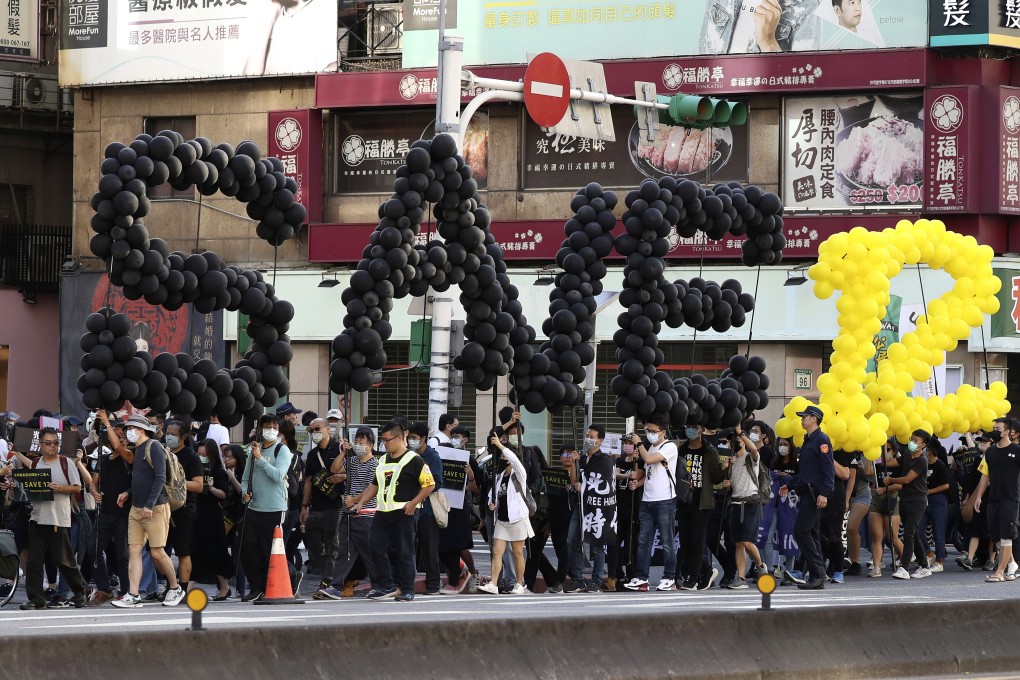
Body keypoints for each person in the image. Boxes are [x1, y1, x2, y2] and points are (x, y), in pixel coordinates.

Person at [352, 420, 434, 602]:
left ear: (399, 438)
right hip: (383, 512)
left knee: (405, 552)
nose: (385, 444)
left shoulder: (414, 460)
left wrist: (413, 504)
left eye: (387, 440)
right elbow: (375, 484)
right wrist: (361, 503)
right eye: (383, 440)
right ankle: (386, 585)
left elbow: (429, 485)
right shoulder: (383, 460)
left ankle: (407, 589)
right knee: (375, 547)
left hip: (405, 513)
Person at [111, 415, 185, 608]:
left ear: (141, 430)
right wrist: (128, 493)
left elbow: (160, 478)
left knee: (157, 552)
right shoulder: (139, 449)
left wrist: (149, 505)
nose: (128, 433)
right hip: (137, 507)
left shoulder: (154, 447)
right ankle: (133, 594)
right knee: (134, 550)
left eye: (131, 429)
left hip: (156, 508)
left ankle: (175, 587)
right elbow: (141, 478)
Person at [16, 428, 88, 610]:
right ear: (40, 444)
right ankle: (36, 599)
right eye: (48, 443)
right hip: (37, 518)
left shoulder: (66, 463)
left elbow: (77, 487)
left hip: (58, 520)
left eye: (55, 442)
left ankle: (80, 592)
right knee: (34, 561)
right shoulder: (36, 463)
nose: (52, 446)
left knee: (64, 560)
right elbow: (29, 486)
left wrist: (60, 488)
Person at [316, 427, 378, 600]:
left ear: (371, 445)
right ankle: (336, 586)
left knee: (369, 553)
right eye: (356, 441)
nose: (358, 445)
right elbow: (334, 469)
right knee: (345, 552)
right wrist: (343, 452)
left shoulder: (374, 464)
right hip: (348, 514)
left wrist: (354, 501)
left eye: (361, 442)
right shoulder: (352, 461)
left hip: (365, 514)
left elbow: (372, 488)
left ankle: (380, 584)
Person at [624, 415, 681, 592]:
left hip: (665, 501)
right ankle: (642, 578)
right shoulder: (649, 447)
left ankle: (669, 578)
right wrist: (638, 484)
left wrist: (639, 443)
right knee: (644, 542)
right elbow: (649, 473)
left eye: (653, 431)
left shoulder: (669, 446)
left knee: (667, 541)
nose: (649, 433)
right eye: (647, 430)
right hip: (647, 500)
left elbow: (649, 460)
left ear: (663, 432)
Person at [779, 405, 834, 590]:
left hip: (814, 494)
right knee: (812, 534)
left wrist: (824, 493)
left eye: (804, 417)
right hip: (806, 492)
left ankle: (818, 573)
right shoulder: (808, 440)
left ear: (813, 419)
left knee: (801, 531)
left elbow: (828, 469)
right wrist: (790, 484)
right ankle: (817, 575)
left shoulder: (821, 440)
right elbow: (805, 471)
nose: (802, 419)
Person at [239, 414, 293, 602]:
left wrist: (260, 459)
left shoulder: (282, 450)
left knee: (268, 549)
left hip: (274, 508)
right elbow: (245, 478)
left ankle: (283, 580)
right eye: (267, 426)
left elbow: (278, 476)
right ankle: (256, 586)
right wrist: (244, 493)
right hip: (254, 507)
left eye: (275, 427)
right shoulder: (255, 449)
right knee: (247, 547)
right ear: (260, 428)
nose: (271, 429)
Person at [478, 432, 534, 595]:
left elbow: (515, 460)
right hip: (502, 520)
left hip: (517, 519)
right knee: (497, 551)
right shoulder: (500, 476)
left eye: (503, 455)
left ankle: (519, 584)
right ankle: (493, 584)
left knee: (517, 552)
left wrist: (500, 445)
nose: (501, 458)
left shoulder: (519, 474)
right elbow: (493, 495)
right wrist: (492, 504)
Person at [563, 425, 616, 592]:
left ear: (600, 441)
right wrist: (574, 463)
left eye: (592, 437)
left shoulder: (605, 460)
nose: (588, 439)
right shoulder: (583, 458)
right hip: (581, 507)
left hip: (596, 508)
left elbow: (603, 484)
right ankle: (578, 579)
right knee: (571, 541)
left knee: (597, 544)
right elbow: (574, 481)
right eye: (587, 435)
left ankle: (596, 580)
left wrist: (584, 487)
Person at [87, 411, 132, 605]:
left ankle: (127, 591)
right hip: (104, 513)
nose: (119, 440)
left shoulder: (130, 457)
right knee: (93, 549)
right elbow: (92, 483)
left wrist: (106, 422)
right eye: (116, 436)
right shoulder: (103, 459)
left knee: (123, 556)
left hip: (124, 514)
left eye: (122, 437)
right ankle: (104, 589)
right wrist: (94, 492)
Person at [675, 424, 727, 591]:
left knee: (696, 540)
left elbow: (715, 478)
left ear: (701, 430)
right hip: (684, 500)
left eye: (694, 427)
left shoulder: (710, 451)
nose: (690, 430)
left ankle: (693, 578)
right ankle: (704, 571)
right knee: (685, 541)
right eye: (688, 426)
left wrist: (723, 469)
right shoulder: (681, 450)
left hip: (702, 501)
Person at [973, 418, 1020, 583]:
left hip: (1010, 498)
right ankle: (1012, 563)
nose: (994, 431)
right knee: (996, 536)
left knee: (1006, 536)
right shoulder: (990, 452)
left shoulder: (1017, 450)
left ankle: (1000, 572)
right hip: (993, 498)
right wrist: (978, 496)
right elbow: (985, 476)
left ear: (1007, 431)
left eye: (997, 429)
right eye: (993, 428)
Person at [301, 417, 344, 593]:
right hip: (316, 506)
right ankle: (322, 573)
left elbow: (353, 471)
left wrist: (343, 476)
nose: (314, 433)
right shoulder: (312, 454)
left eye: (317, 429)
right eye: (311, 430)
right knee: (314, 544)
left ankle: (329, 580)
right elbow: (308, 481)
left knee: (333, 545)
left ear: (328, 429)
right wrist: (304, 505)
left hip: (335, 505)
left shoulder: (340, 449)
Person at [883, 429, 931, 580]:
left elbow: (907, 479)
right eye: (912, 438)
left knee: (908, 534)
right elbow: (888, 463)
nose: (912, 442)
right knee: (913, 534)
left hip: (917, 500)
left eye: (916, 440)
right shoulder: (906, 456)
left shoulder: (922, 460)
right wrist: (884, 446)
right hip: (904, 499)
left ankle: (904, 567)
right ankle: (924, 566)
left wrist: (891, 480)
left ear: (923, 445)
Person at [440, 425, 482, 595]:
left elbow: (476, 489)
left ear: (465, 440)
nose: (454, 439)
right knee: (443, 546)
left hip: (459, 506)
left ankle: (472, 573)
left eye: (458, 436)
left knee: (460, 545)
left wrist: (470, 476)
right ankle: (456, 575)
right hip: (441, 507)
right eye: (453, 435)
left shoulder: (469, 460)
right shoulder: (439, 457)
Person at [164, 420, 204, 594]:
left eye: (173, 434)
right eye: (167, 433)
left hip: (185, 508)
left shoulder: (191, 457)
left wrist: (177, 483)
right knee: (158, 550)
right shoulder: (164, 454)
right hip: (164, 508)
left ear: (183, 437)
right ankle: (171, 585)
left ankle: (183, 588)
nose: (169, 437)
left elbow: (199, 485)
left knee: (183, 551)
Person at [190, 438, 233, 600]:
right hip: (195, 511)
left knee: (215, 551)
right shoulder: (194, 468)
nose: (201, 458)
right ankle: (186, 588)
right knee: (194, 550)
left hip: (211, 515)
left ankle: (224, 587)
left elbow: (224, 495)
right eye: (199, 454)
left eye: (205, 455)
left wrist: (211, 487)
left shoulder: (218, 471)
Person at [725, 426, 767, 589]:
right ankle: (741, 578)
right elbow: (729, 484)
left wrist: (741, 433)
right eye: (733, 441)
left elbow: (754, 449)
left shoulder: (750, 458)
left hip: (750, 503)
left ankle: (760, 565)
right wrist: (726, 481)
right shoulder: (731, 462)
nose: (736, 443)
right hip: (735, 503)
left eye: (738, 441)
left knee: (746, 541)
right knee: (738, 543)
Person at [407, 422, 444, 595]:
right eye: (409, 438)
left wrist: (420, 486)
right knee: (408, 547)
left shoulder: (432, 457)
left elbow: (437, 482)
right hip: (409, 508)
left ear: (423, 439)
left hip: (427, 510)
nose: (411, 441)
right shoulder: (408, 455)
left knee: (430, 548)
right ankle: (406, 582)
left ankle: (433, 584)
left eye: (414, 438)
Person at [867, 439, 903, 578]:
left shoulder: (899, 465)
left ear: (893, 451)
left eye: (888, 450)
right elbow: (867, 472)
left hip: (892, 499)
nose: (885, 452)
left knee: (892, 538)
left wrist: (884, 489)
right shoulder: (877, 465)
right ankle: (876, 567)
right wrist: (869, 455)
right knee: (876, 536)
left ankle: (905, 561)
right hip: (877, 500)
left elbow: (900, 485)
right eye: (883, 450)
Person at [921, 443, 951, 574]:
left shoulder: (940, 465)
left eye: (926, 450)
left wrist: (930, 491)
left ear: (932, 452)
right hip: (925, 501)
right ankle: (929, 553)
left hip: (938, 501)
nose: (924, 452)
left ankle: (939, 561)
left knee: (938, 532)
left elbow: (946, 485)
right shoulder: (924, 464)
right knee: (917, 529)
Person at [222, 444, 248, 597]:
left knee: (237, 554)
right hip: (226, 516)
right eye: (225, 457)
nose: (227, 460)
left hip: (239, 517)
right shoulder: (222, 472)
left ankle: (240, 589)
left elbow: (243, 493)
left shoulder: (243, 473)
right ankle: (223, 587)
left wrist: (232, 478)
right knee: (221, 551)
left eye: (230, 457)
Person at [843, 448, 871, 577]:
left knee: (851, 526)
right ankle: (851, 560)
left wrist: (862, 466)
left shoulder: (867, 454)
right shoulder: (844, 451)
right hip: (844, 493)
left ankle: (856, 562)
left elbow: (870, 474)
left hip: (862, 495)